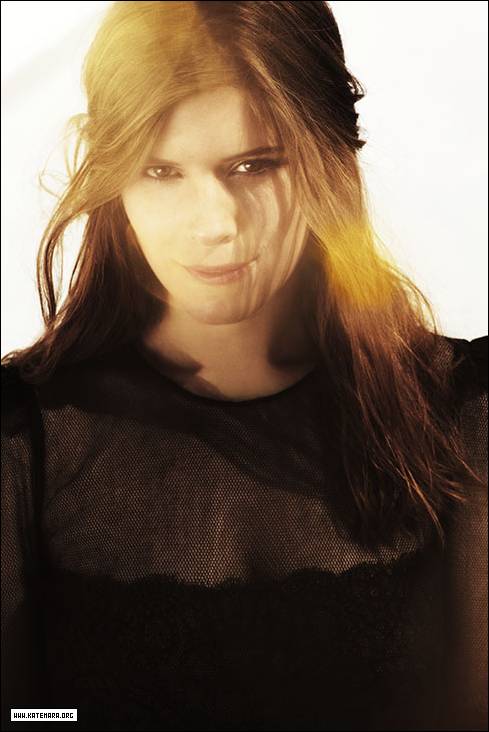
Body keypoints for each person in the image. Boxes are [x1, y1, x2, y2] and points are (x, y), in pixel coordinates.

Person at [1, 2, 487, 730]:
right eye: (161, 170)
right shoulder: (25, 443)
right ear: (113, 180)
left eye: (254, 165)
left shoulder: (464, 416)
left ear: (327, 158)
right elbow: (25, 718)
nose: (216, 222)